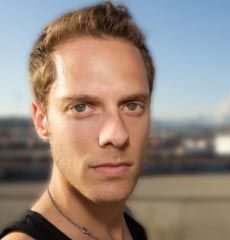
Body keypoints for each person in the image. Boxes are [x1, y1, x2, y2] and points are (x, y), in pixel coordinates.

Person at [1, 2, 154, 240]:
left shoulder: (132, 229)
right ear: (42, 121)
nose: (117, 134)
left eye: (132, 105)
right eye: (81, 107)